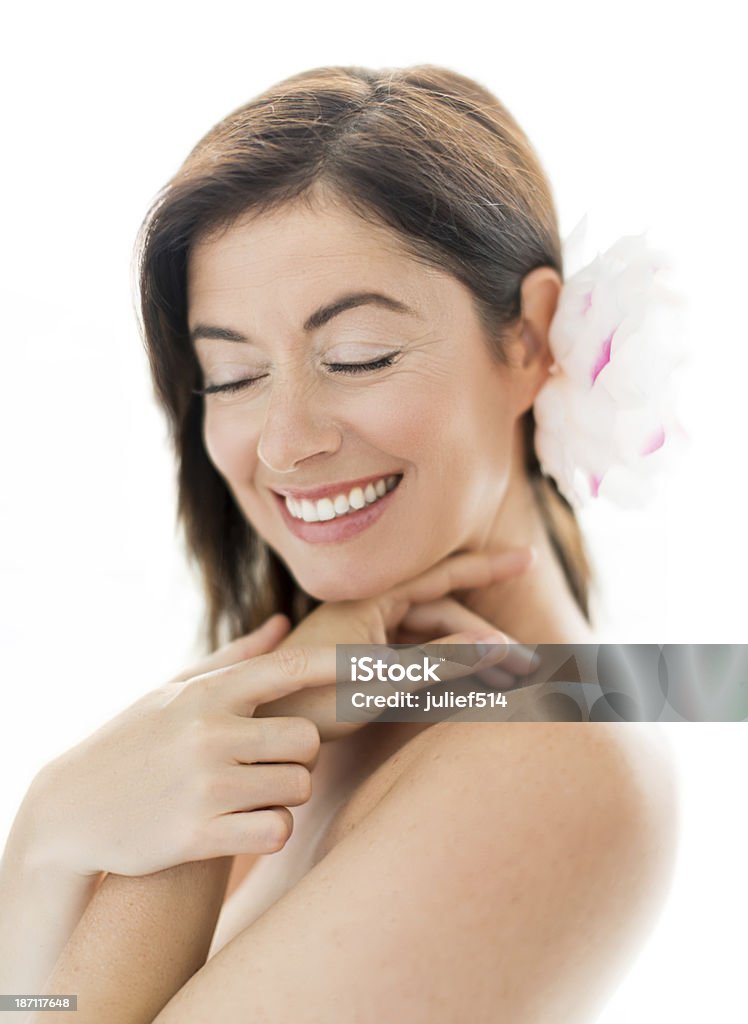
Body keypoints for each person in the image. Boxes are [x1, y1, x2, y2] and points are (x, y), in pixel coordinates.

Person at [0, 64, 679, 1023]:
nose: (284, 443)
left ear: (527, 340)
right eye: (231, 375)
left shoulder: (549, 755)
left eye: (357, 356)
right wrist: (41, 843)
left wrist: (235, 754)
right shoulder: (345, 691)